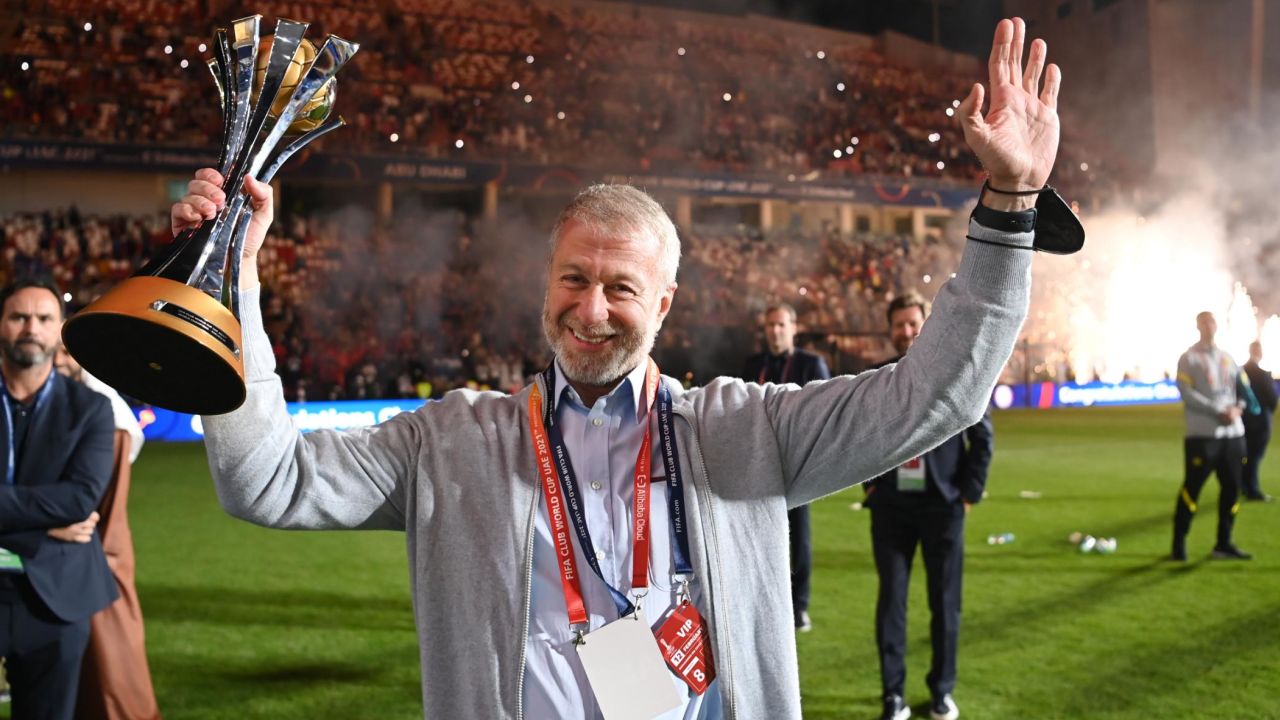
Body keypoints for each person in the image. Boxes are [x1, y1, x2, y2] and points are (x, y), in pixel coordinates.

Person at [175, 18, 1061, 719]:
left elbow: (932, 396)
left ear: (665, 303)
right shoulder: (452, 443)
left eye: (619, 288)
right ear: (546, 282)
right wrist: (237, 279)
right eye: (574, 279)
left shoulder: (745, 429)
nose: (590, 309)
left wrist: (1011, 206)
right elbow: (266, 479)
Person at [863, 292, 993, 720]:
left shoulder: (956, 370)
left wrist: (968, 493)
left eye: (913, 323)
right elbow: (857, 436)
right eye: (899, 325)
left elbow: (983, 436)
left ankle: (941, 691)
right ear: (890, 330)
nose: (906, 332)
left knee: (945, 604)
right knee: (892, 604)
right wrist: (871, 488)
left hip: (942, 507)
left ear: (926, 325)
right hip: (892, 508)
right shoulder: (877, 377)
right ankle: (892, 695)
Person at [0, 278, 117, 720]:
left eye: (44, 318)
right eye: (18, 317)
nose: (31, 327)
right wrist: (42, 521)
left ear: (60, 329)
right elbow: (62, 508)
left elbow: (79, 499)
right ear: (1, 325)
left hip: (55, 598)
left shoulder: (91, 409)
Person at [54, 348, 163, 720]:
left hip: (95, 555)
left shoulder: (104, 416)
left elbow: (94, 514)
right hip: (87, 557)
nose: (57, 358)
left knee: (108, 652)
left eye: (66, 351)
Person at [740, 303, 830, 632]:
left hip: (797, 464)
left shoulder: (811, 364)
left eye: (781, 325)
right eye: (770, 326)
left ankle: (799, 605)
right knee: (760, 537)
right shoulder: (754, 364)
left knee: (799, 537)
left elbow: (824, 412)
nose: (775, 331)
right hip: (760, 465)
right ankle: (764, 605)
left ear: (794, 327)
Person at [1171, 312, 1253, 561]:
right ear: (1197, 326)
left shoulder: (1228, 357)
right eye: (1204, 322)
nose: (1208, 326)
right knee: (1192, 489)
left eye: (1212, 321)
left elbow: (1243, 390)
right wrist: (1219, 410)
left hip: (1234, 435)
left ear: (1217, 326)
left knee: (1233, 489)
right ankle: (1179, 545)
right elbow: (1185, 392)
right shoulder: (1189, 358)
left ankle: (1224, 544)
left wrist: (1238, 408)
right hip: (1204, 436)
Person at [1241, 340, 1276, 502]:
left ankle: (1243, 486)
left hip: (1242, 421)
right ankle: (1252, 490)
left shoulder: (1240, 372)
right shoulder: (1263, 375)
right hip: (1261, 422)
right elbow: (1272, 400)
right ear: (1258, 352)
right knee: (1254, 457)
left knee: (1245, 455)